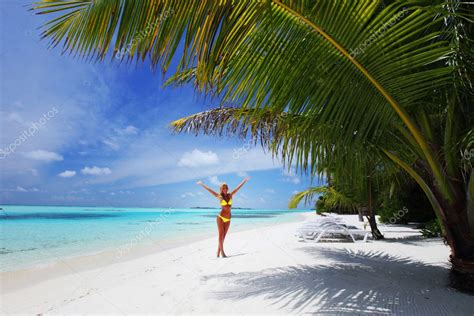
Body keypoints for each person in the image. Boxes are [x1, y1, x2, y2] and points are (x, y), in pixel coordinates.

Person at [196, 177, 250, 257]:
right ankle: (222, 253)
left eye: (226, 188)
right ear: (221, 189)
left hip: (228, 218)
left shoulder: (230, 195)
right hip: (220, 217)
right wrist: (201, 184)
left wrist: (244, 181)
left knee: (224, 236)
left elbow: (237, 188)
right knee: (220, 235)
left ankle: (218, 252)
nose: (224, 189)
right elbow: (210, 190)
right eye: (223, 188)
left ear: (227, 188)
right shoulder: (219, 196)